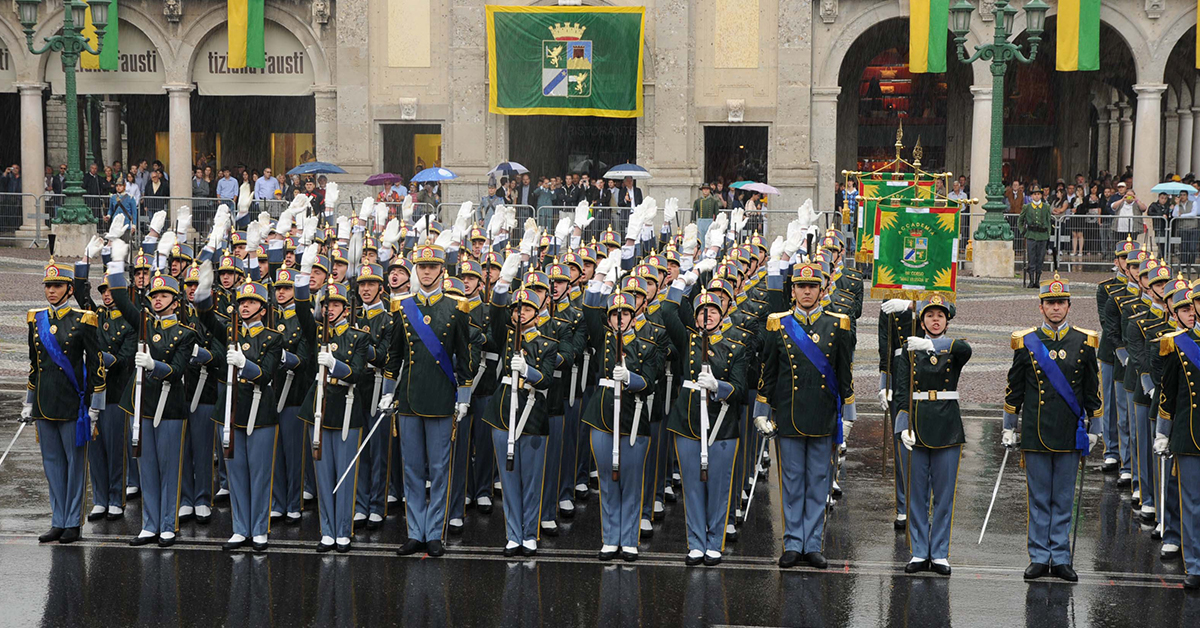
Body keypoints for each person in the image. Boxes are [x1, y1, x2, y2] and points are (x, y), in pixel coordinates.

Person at [754, 259, 855, 570]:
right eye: (801, 286)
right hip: (789, 415)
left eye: (812, 286)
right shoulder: (778, 324)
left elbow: (844, 373)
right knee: (792, 481)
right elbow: (768, 373)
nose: (807, 292)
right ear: (793, 290)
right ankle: (793, 542)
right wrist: (761, 411)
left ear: (821, 289)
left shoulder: (837, 324)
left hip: (824, 414)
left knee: (819, 481)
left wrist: (848, 413)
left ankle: (812, 544)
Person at [1003, 273, 1102, 582]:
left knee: (1063, 498)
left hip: (1069, 430)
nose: (1055, 308)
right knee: (1039, 498)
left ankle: (1060, 557)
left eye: (1060, 303)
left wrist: (1095, 427)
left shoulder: (1084, 342)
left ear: (1069, 306)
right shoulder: (1026, 342)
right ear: (1041, 306)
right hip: (1035, 430)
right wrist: (1009, 426)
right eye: (1050, 303)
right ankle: (1038, 556)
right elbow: (1014, 389)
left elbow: (1091, 390)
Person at [378, 244, 475, 557]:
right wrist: (387, 391)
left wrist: (463, 396)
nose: (427, 272)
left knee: (439, 468)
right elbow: (394, 355)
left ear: (442, 270)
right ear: (415, 271)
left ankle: (434, 532)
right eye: (422, 267)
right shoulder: (402, 307)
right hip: (408, 398)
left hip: (442, 398)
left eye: (432, 267)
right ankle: (415, 532)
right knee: (412, 470)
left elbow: (465, 357)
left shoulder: (457, 308)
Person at [196, 266, 284, 552]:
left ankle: (259, 529)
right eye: (242, 302)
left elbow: (268, 374)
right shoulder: (230, 332)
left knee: (258, 474)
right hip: (232, 412)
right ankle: (239, 527)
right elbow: (208, 318)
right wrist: (203, 294)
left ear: (262, 308)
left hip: (260, 414)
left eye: (252, 302)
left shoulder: (272, 337)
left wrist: (245, 364)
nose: (245, 306)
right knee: (235, 472)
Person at [580, 259, 662, 562]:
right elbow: (589, 310)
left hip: (633, 418)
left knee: (631, 480)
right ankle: (610, 538)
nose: (620, 318)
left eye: (625, 312)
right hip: (602, 415)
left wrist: (632, 378)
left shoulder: (647, 345)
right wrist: (600, 276)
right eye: (615, 314)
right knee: (606, 478)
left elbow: (650, 382)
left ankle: (629, 539)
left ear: (634, 314)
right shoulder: (603, 337)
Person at [660, 279, 747, 565]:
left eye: (712, 310)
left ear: (722, 315)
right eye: (701, 312)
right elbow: (667, 311)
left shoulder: (736, 345)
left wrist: (718, 387)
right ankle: (696, 541)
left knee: (719, 487)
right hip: (688, 423)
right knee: (693, 486)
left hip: (722, 425)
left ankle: (715, 541)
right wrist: (681, 282)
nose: (707, 315)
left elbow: (740, 388)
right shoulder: (688, 340)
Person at [22, 259, 106, 545]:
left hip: (73, 404)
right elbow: (34, 365)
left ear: (70, 289)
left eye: (57, 286)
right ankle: (57, 520)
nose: (51, 291)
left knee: (75, 465)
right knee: (52, 464)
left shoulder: (84, 320)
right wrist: (28, 401)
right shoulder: (36, 319)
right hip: (45, 404)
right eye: (48, 286)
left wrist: (96, 406)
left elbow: (96, 366)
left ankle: (73, 522)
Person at [893, 296, 970, 576]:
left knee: (944, 494)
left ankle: (939, 553)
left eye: (940, 315)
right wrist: (902, 427)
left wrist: (932, 345)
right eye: (930, 316)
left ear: (947, 320)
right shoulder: (908, 349)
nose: (935, 320)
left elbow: (966, 349)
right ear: (921, 320)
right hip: (916, 422)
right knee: (917, 494)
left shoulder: (952, 347)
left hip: (947, 424)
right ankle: (918, 551)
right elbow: (902, 391)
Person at [1157, 282, 1200, 590]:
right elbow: (1167, 395)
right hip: (1189, 433)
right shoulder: (1178, 344)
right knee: (1193, 503)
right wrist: (1162, 433)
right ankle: (1196, 565)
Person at [878, 297, 917, 530]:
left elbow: (950, 309)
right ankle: (903, 506)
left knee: (927, 443)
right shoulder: (889, 301)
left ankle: (922, 506)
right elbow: (885, 343)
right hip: (900, 373)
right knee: (901, 440)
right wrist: (885, 382)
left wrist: (912, 306)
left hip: (930, 371)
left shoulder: (933, 291)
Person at [1018, 185, 1051, 288]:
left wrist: (1048, 234)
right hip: (1031, 235)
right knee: (1031, 258)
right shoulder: (1027, 207)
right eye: (1035, 194)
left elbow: (1048, 221)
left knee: (1040, 258)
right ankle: (1031, 280)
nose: (1036, 196)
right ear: (1031, 196)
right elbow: (1020, 220)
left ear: (1041, 196)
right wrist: (1023, 231)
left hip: (1042, 235)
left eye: (1038, 194)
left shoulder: (1046, 207)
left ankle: (1037, 280)